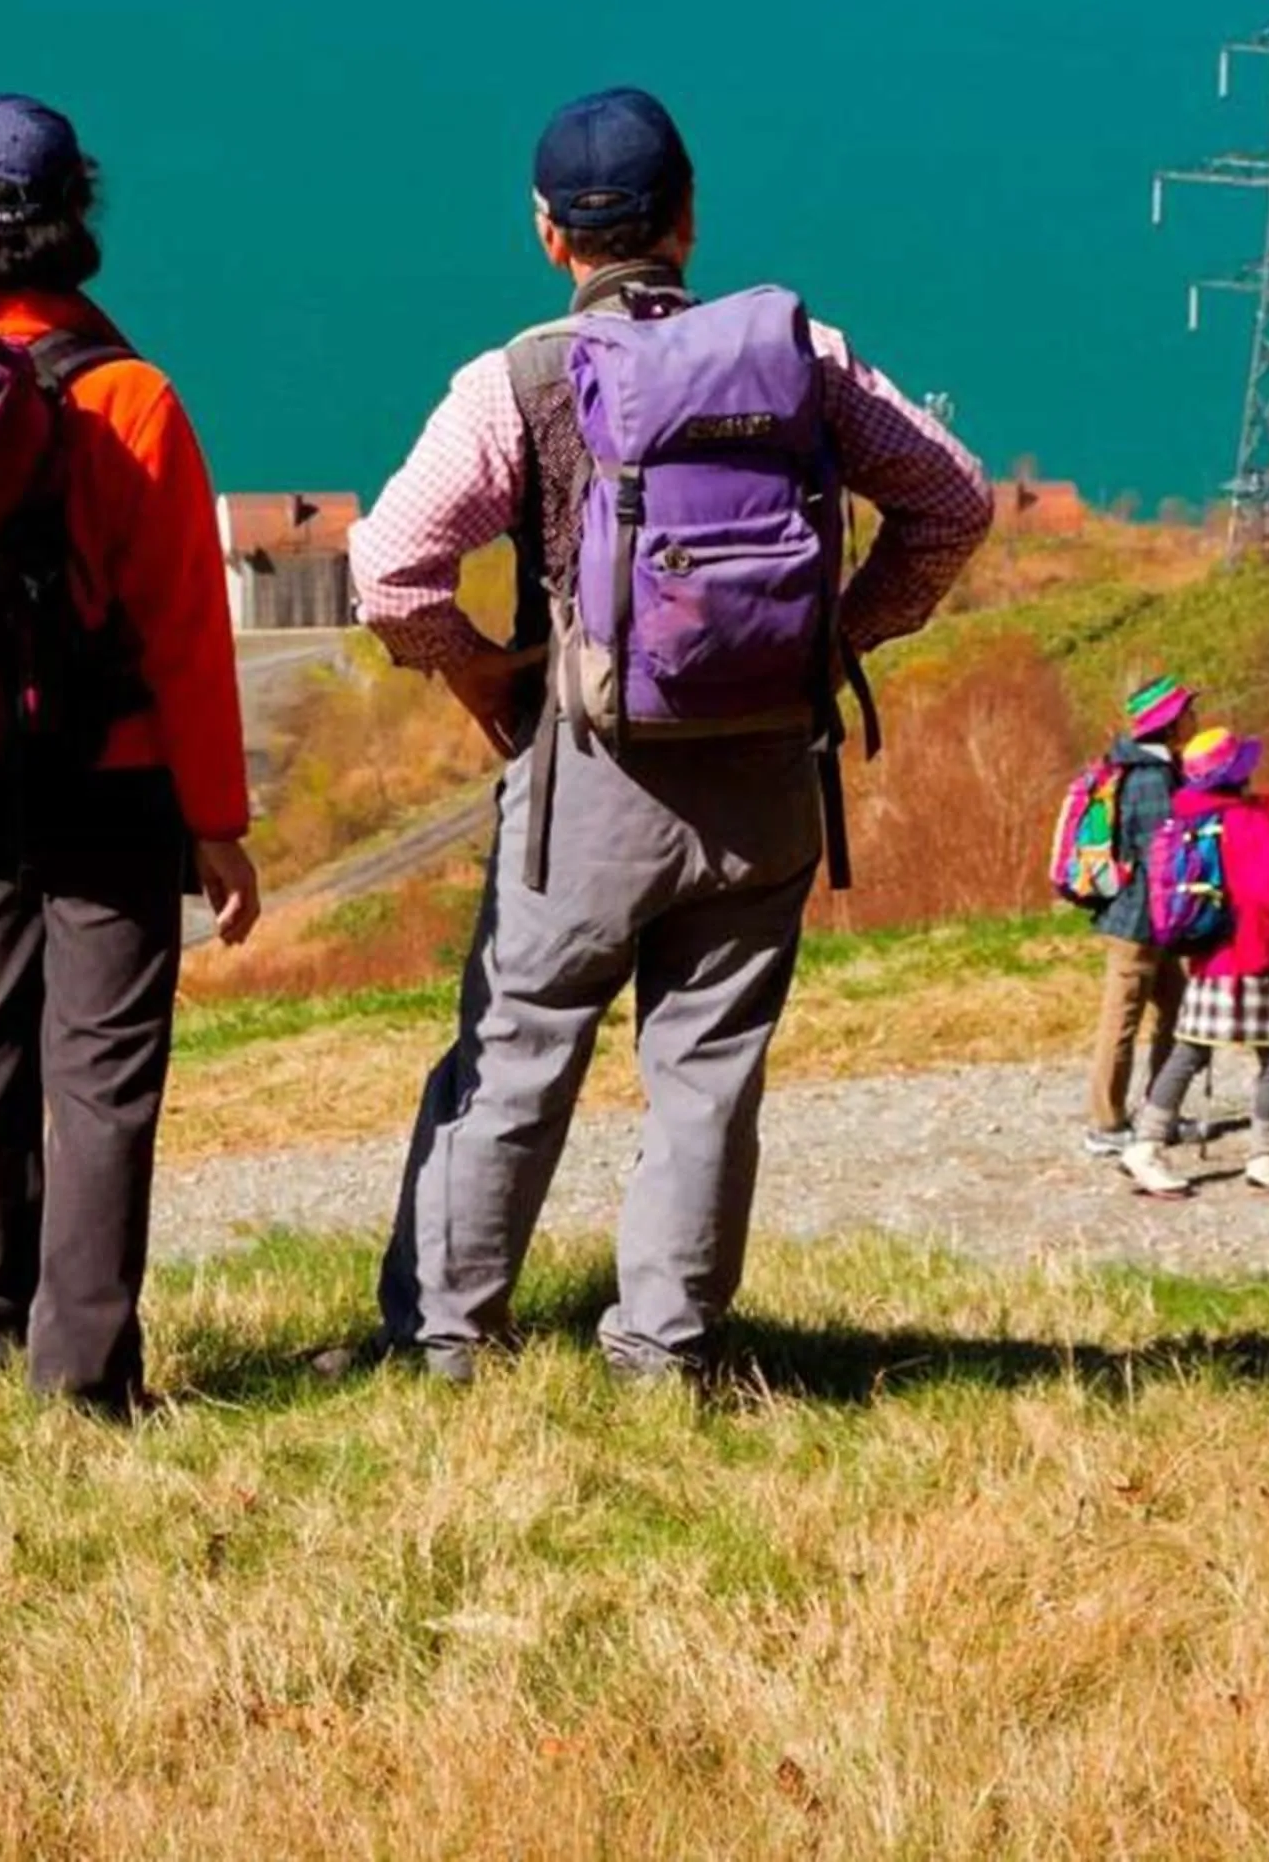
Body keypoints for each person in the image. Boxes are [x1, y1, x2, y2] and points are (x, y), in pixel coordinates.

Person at [348, 86, 994, 1381]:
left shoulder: (516, 382)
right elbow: (954, 503)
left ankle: (448, 1337)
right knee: (707, 1072)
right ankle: (665, 1348)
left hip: (587, 785)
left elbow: (390, 572)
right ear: (688, 217)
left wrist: (479, 675)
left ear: (549, 233)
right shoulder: (803, 357)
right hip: (767, 778)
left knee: (516, 1054)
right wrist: (838, 640)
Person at [0, 93, 260, 1415]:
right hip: (109, 787)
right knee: (101, 1079)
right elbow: (188, 638)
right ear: (77, 211)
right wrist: (217, 822)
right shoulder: (131, 399)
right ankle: (83, 1382)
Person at [1119, 727, 1269, 1199]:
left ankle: (1144, 1146)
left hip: (1207, 955)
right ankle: (1266, 1159)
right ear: (1236, 773)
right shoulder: (1246, 821)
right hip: (1247, 957)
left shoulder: (1187, 817)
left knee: (1190, 1050)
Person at [1081, 675, 1199, 1159]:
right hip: (1138, 924)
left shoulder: (1151, 767)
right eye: (1188, 711)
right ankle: (1106, 1123)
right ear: (1170, 724)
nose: (1195, 718)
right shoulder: (1152, 779)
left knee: (1180, 1009)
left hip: (1151, 923)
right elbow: (1163, 858)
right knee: (1121, 1021)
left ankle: (1158, 1112)